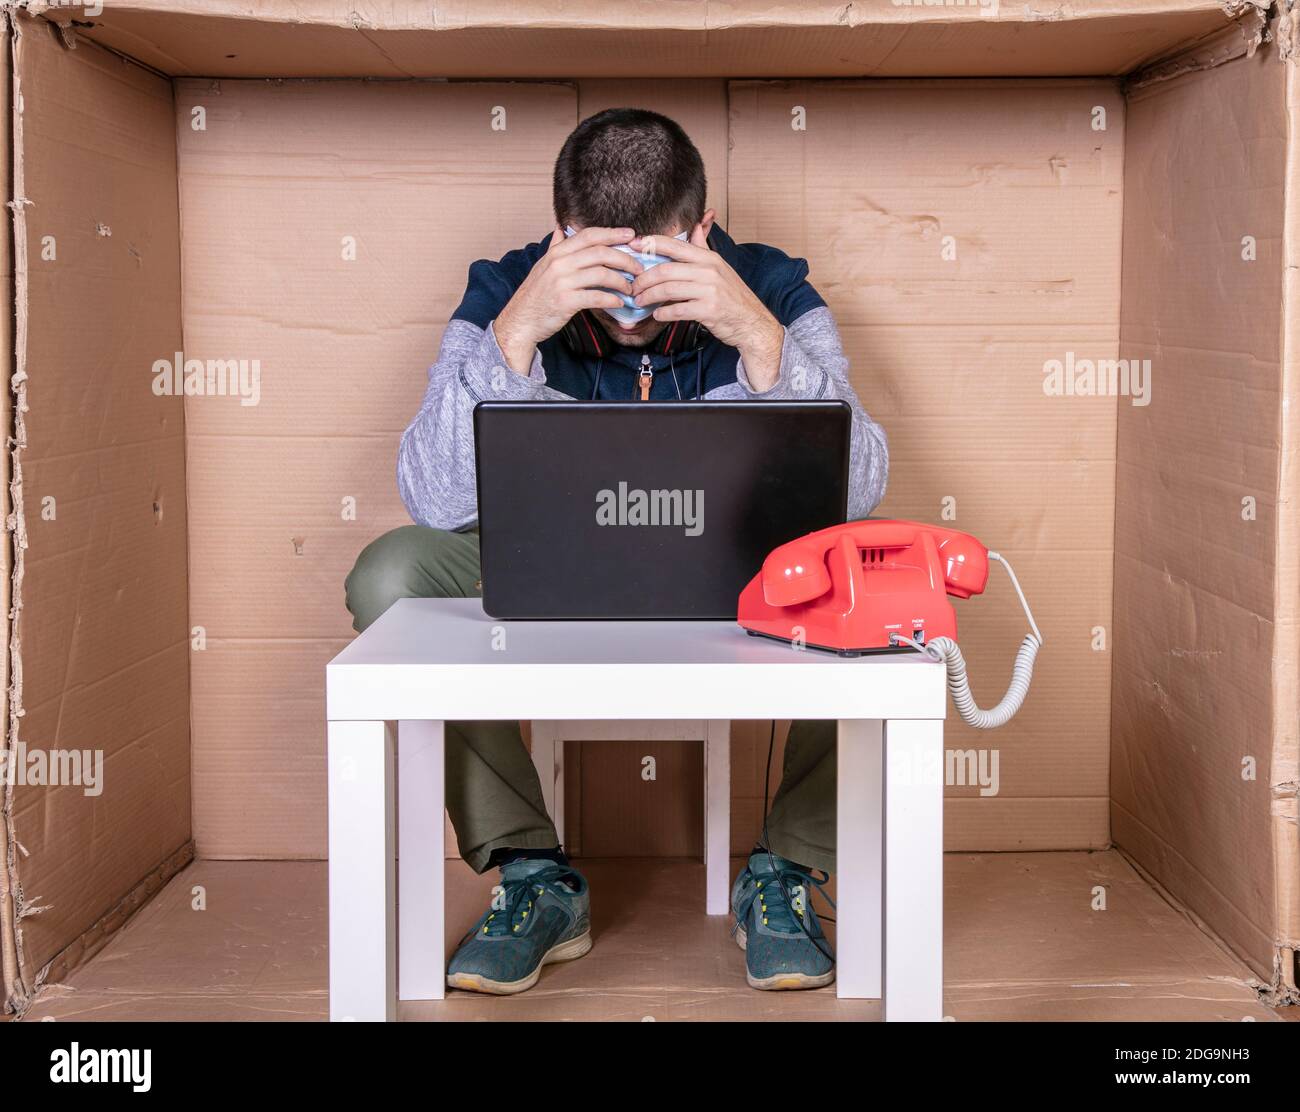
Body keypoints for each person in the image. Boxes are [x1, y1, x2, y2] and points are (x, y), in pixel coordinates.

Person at [344, 108, 889, 995]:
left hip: (737, 562)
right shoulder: (505, 290)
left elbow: (858, 487)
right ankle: (533, 873)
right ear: (565, 237)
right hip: (544, 555)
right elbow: (433, 497)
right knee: (391, 571)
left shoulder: (774, 288)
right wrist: (515, 336)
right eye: (605, 264)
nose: (632, 306)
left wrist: (759, 338)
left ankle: (787, 869)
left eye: (659, 265)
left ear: (701, 233)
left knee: (867, 569)